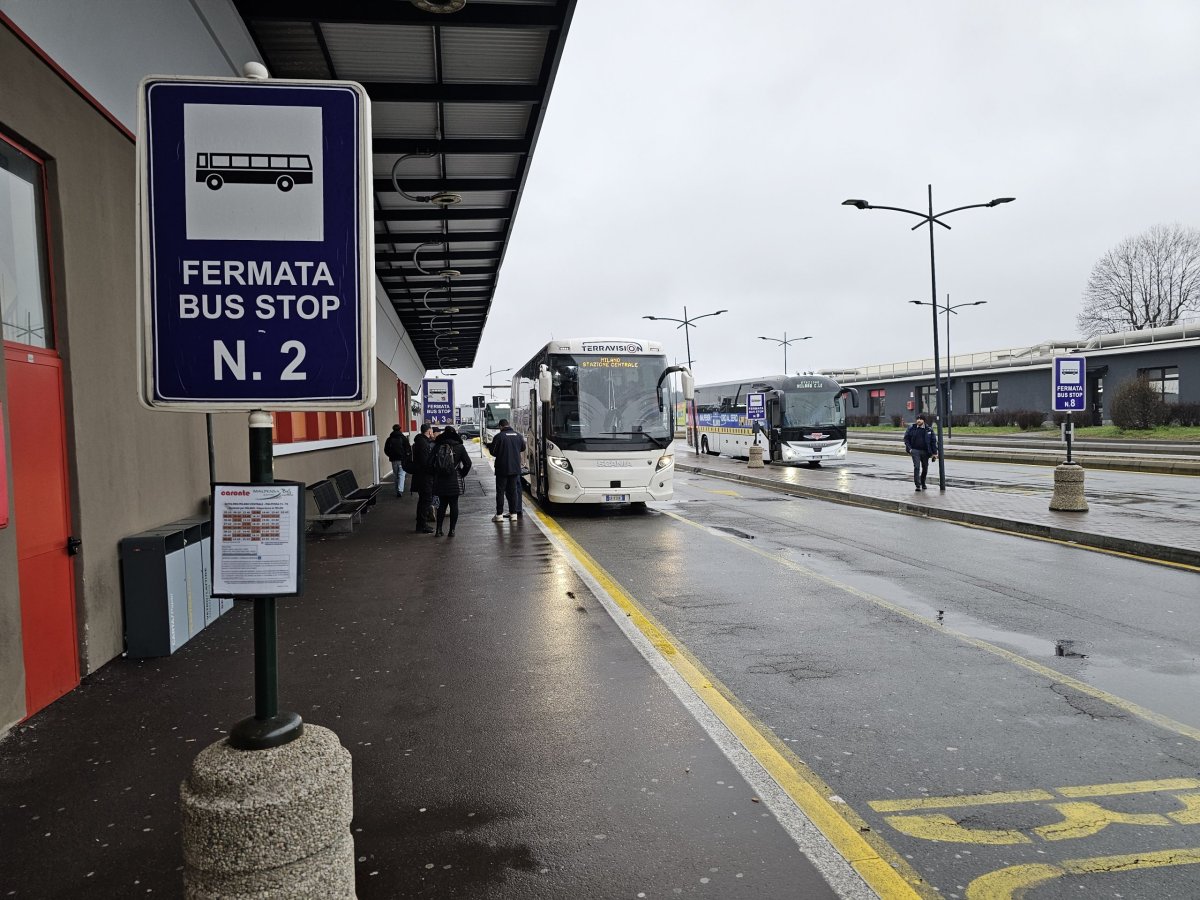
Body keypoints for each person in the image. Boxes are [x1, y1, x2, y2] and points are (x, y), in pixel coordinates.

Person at [429, 425, 472, 537]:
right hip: (455, 479)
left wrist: (436, 473)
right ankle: (452, 530)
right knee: (454, 505)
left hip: (440, 480)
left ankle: (438, 530)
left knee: (442, 505)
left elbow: (429, 463)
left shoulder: (437, 446)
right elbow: (468, 463)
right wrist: (462, 473)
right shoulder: (459, 447)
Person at [489, 418, 526, 522]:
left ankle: (499, 515)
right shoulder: (518, 435)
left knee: (500, 491)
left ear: (501, 426)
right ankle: (513, 514)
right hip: (515, 468)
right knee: (513, 491)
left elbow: (493, 451)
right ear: (508, 424)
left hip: (502, 469)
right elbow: (523, 448)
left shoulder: (499, 437)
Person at [412, 422, 436, 533]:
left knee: (424, 500)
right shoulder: (423, 443)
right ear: (429, 431)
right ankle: (422, 525)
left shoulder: (420, 441)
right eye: (431, 431)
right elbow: (425, 462)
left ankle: (421, 524)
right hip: (424, 477)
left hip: (421, 476)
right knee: (425, 500)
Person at [903, 415, 939, 491]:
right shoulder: (911, 428)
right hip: (915, 450)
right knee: (917, 467)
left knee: (925, 468)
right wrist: (910, 449)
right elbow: (906, 439)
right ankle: (917, 485)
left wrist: (935, 453)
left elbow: (933, 442)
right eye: (917, 419)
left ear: (924, 420)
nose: (918, 420)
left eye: (920, 419)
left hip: (925, 451)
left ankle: (923, 482)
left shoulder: (928, 429)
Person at [383, 424, 412, 497]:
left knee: (395, 475)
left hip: (394, 460)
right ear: (400, 429)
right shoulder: (403, 438)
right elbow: (408, 449)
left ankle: (397, 490)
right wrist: (407, 457)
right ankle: (400, 490)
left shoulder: (389, 439)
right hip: (402, 459)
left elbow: (386, 449)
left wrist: (390, 455)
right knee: (401, 474)